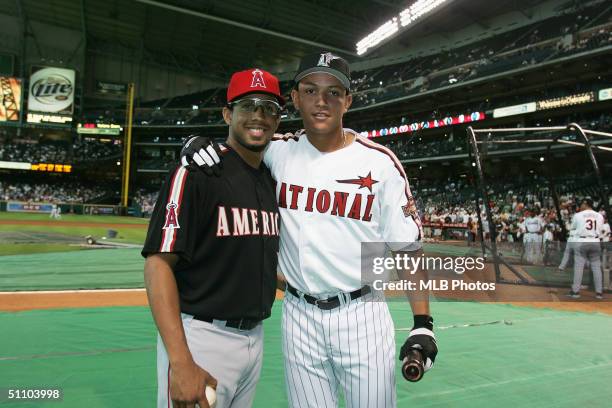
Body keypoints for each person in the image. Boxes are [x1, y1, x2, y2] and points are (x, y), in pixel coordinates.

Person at [180, 51, 438, 407]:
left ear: (348, 101)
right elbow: (240, 141)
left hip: (361, 312)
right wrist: (200, 144)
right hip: (299, 315)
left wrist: (422, 321)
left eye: (334, 92)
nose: (322, 101)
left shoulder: (379, 162)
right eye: (311, 90)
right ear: (295, 98)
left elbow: (407, 249)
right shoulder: (276, 151)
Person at [142, 68, 284, 408]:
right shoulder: (197, 172)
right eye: (248, 105)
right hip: (203, 338)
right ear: (227, 113)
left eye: (269, 108)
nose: (258, 116)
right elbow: (158, 264)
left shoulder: (270, 177)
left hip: (255, 337)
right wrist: (181, 361)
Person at [566, 198, 605, 299]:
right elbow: (600, 230)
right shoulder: (600, 215)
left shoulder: (578, 215)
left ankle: (575, 292)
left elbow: (573, 228)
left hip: (582, 241)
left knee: (579, 268)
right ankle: (599, 293)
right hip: (595, 241)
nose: (580, 206)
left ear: (585, 204)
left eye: (582, 204)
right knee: (596, 268)